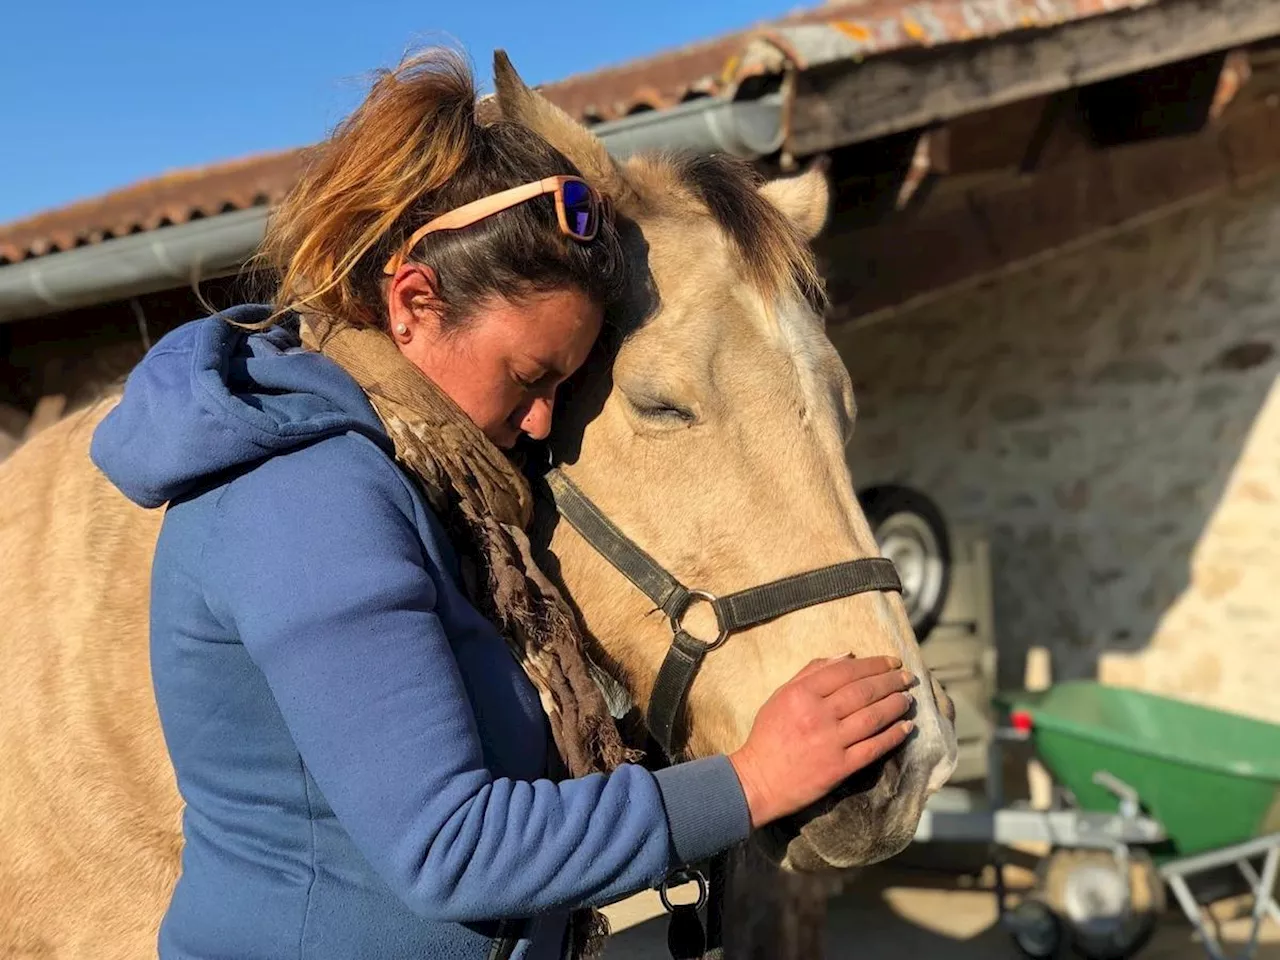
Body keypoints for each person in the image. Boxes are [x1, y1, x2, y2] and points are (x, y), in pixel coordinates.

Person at [90, 49, 915, 960]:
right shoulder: (308, 496)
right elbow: (451, 848)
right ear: (413, 302)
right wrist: (751, 783)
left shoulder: (434, 493)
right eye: (529, 376)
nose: (538, 419)